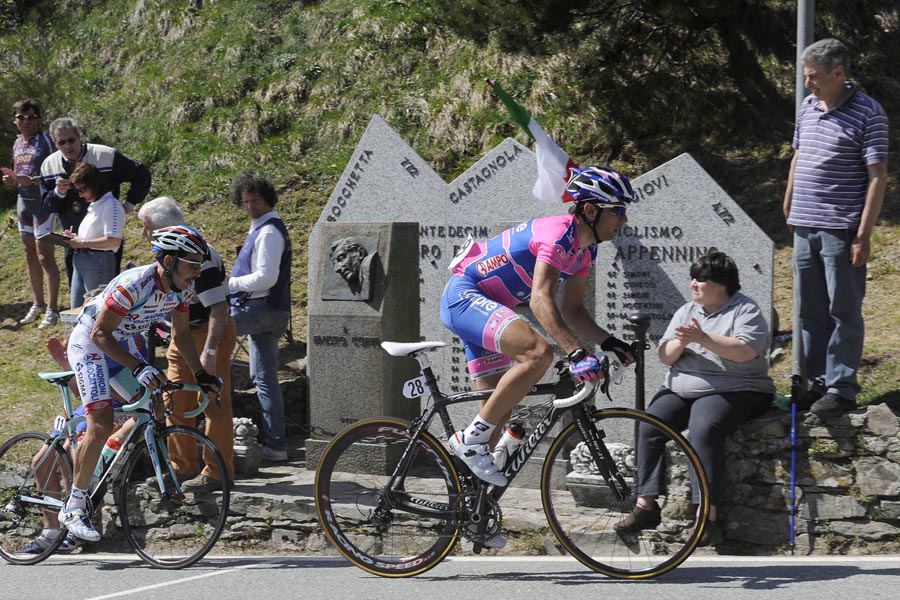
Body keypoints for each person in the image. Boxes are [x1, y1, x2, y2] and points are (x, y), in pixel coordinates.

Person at [440, 166, 636, 495]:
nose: (624, 219)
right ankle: (467, 440)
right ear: (590, 210)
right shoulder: (559, 233)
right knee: (539, 354)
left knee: (495, 415)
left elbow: (573, 308)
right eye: (618, 211)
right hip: (465, 297)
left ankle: (474, 511)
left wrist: (609, 341)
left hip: (487, 306)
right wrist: (575, 353)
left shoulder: (588, 249)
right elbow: (540, 299)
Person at [58, 226, 221, 542]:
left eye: (201, 265)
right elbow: (99, 335)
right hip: (91, 344)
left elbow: (182, 335)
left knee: (153, 404)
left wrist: (201, 374)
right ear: (170, 261)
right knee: (101, 422)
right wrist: (138, 367)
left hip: (121, 342)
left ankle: (142, 475)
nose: (197, 273)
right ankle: (74, 506)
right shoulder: (135, 285)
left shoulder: (182, 289)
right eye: (192, 265)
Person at [614, 252, 775, 546]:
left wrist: (703, 339)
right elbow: (665, 355)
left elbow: (746, 352)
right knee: (648, 425)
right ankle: (645, 505)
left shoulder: (745, 310)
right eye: (693, 277)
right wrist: (682, 342)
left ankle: (706, 515)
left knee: (702, 429)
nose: (694, 284)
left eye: (702, 278)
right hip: (681, 387)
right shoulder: (688, 310)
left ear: (722, 283)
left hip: (733, 387)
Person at [783, 38, 888, 418]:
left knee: (843, 308)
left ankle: (842, 387)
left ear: (838, 73)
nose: (807, 83)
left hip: (841, 228)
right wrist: (789, 196)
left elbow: (877, 177)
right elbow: (799, 155)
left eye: (813, 77)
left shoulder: (868, 113)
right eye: (805, 76)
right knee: (809, 311)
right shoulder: (808, 106)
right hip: (804, 225)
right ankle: (818, 384)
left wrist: (864, 235)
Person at [137, 197, 236, 492]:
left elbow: (219, 310)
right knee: (174, 400)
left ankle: (218, 474)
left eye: (146, 228)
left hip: (209, 333)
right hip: (182, 335)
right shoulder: (169, 254)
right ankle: (182, 467)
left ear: (162, 227)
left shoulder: (202, 256)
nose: (143, 235)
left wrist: (210, 352)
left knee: (214, 404)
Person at [40, 116, 152, 286]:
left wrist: (128, 204)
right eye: (61, 142)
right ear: (55, 144)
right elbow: (48, 205)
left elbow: (141, 174)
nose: (68, 146)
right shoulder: (49, 165)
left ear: (80, 137)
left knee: (105, 296)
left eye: (71, 140)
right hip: (72, 238)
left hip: (104, 240)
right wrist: (59, 192)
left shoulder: (106, 155)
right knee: (77, 299)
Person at [228, 172, 292, 463]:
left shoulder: (268, 232)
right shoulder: (262, 227)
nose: (249, 206)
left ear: (267, 198)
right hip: (271, 311)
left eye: (254, 200)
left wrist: (228, 285)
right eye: (244, 201)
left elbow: (266, 278)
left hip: (261, 309)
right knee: (264, 377)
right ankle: (276, 445)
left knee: (205, 334)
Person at [2, 99, 61, 329]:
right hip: (23, 202)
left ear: (38, 119)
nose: (26, 121)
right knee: (29, 254)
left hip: (43, 202)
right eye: (21, 117)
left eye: (31, 117)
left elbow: (59, 170)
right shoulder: (17, 144)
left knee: (45, 255)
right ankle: (37, 303)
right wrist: (11, 181)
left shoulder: (45, 140)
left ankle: (53, 308)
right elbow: (20, 174)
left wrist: (34, 180)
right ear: (14, 120)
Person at [60, 163, 125, 308]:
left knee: (95, 312)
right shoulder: (94, 205)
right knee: (76, 312)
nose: (80, 194)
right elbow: (92, 235)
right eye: (78, 190)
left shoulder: (111, 205)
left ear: (95, 184)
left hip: (98, 262)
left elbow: (114, 241)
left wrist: (82, 242)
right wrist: (75, 238)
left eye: (83, 189)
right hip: (82, 261)